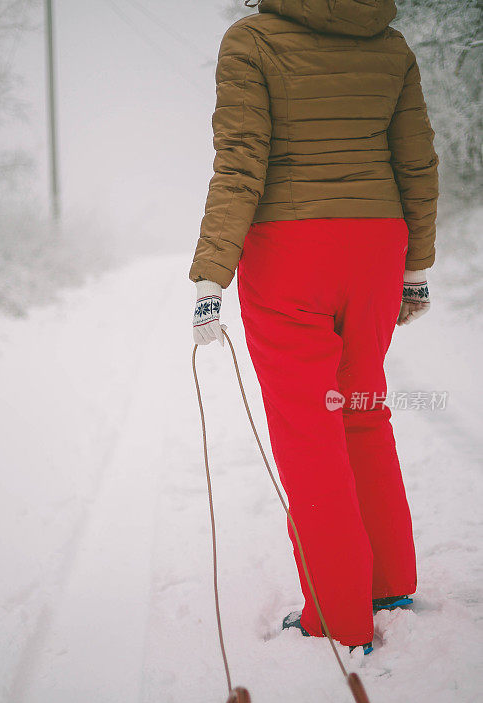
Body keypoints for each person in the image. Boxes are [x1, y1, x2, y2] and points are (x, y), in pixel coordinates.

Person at [190, 0, 439, 653]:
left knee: (309, 430)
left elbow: (241, 159)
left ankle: (337, 617)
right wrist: (413, 267)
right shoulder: (389, 45)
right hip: (375, 250)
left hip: (289, 252)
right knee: (361, 409)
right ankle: (387, 585)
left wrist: (212, 271)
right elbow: (415, 162)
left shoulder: (250, 41)